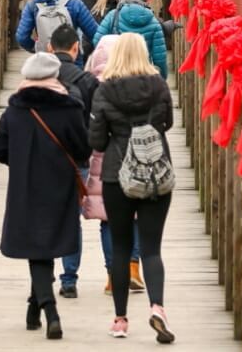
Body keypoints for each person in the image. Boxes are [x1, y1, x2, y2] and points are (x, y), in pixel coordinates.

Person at [0, 52, 91, 339]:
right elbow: (83, 150)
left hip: (25, 187)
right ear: (55, 76)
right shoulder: (70, 109)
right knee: (46, 244)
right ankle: (40, 308)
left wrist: (20, 160)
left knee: (36, 246)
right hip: (60, 186)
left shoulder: (15, 111)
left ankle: (47, 308)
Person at [89, 33, 176, 343]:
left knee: (122, 247)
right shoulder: (158, 85)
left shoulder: (105, 89)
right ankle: (158, 307)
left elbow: (97, 139)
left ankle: (121, 319)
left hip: (116, 173)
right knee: (152, 248)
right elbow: (167, 123)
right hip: (156, 170)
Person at [85, 35, 144, 297]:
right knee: (136, 215)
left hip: (106, 159)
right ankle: (133, 267)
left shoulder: (98, 87)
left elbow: (95, 132)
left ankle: (112, 275)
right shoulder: (148, 84)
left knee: (108, 219)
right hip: (140, 156)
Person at [46, 23, 100, 298]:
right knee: (72, 218)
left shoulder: (40, 79)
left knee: (47, 215)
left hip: (46, 156)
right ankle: (69, 278)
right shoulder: (87, 81)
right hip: (78, 155)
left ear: (49, 48)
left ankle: (43, 275)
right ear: (76, 48)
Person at [16, 0, 99, 63]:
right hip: (71, 63)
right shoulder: (75, 3)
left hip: (45, 60)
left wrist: (37, 48)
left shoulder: (33, 4)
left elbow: (21, 37)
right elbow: (95, 34)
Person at [93, 0, 168, 78]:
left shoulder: (113, 15)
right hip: (142, 74)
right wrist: (162, 78)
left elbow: (97, 41)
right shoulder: (154, 22)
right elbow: (160, 58)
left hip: (118, 72)